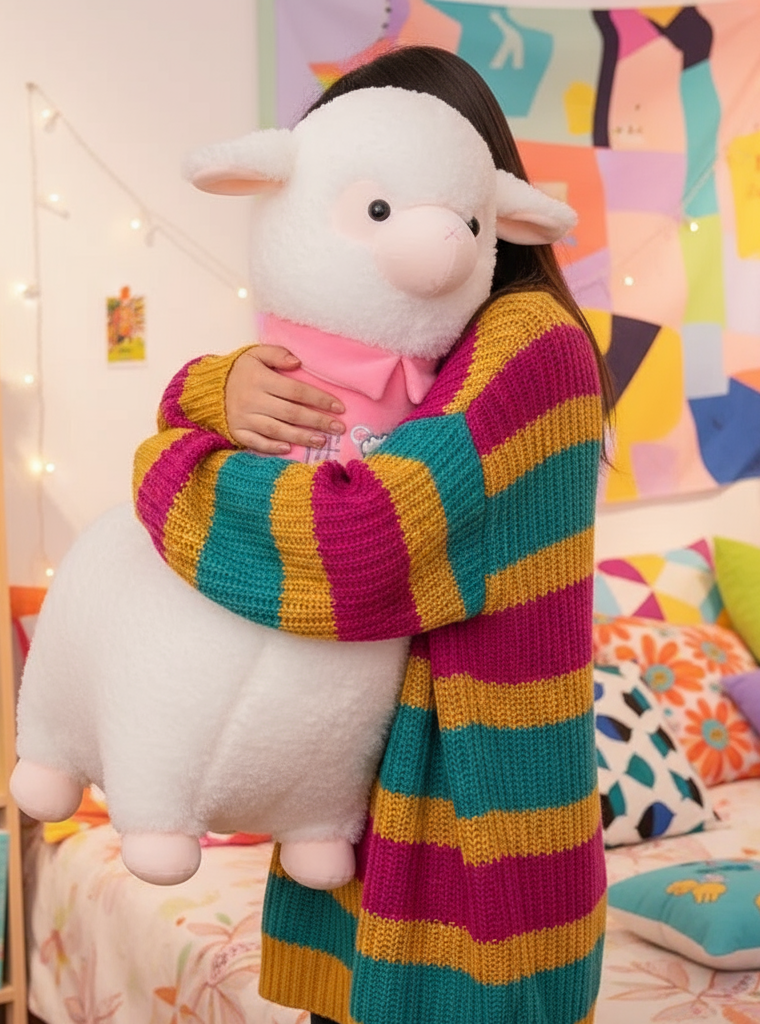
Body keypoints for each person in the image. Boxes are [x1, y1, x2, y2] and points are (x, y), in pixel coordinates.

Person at [132, 44, 614, 1024]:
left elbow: (358, 546)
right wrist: (212, 390)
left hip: (477, 854)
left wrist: (160, 469)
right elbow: (311, 439)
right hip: (369, 828)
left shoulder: (530, 344)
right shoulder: (416, 343)